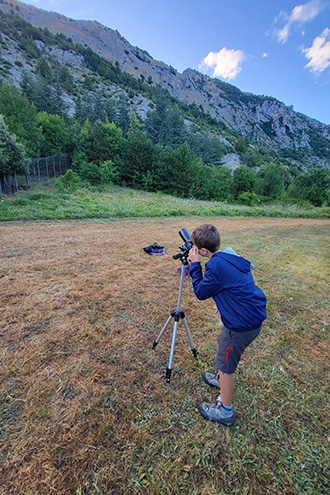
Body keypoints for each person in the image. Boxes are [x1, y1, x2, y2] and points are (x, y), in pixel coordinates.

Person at [189, 224, 267, 426]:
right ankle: (220, 379)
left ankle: (225, 411)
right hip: (249, 317)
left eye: (197, 248)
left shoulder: (215, 266)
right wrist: (225, 304)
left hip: (241, 325)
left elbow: (200, 292)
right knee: (225, 353)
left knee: (226, 365)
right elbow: (235, 284)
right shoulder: (230, 255)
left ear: (203, 251)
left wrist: (195, 265)